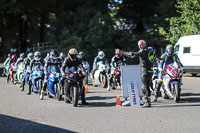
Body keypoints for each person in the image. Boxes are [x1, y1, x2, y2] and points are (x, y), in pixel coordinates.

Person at [122, 40, 156, 108]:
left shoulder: (143, 51)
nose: (140, 47)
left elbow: (132, 54)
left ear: (145, 45)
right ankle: (148, 101)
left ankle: (147, 102)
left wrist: (123, 52)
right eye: (139, 45)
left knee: (145, 87)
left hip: (145, 71)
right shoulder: (150, 50)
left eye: (141, 45)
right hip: (150, 70)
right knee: (146, 86)